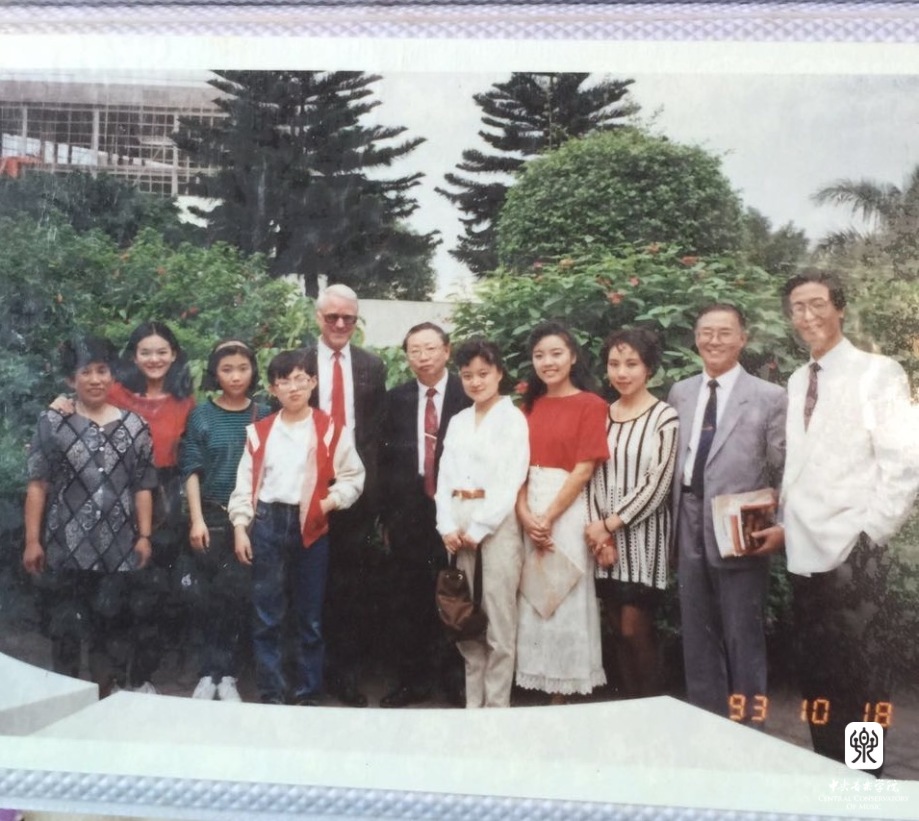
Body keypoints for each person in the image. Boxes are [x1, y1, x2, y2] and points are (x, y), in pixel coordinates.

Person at [755, 271, 918, 768]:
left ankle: (862, 781)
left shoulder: (878, 372)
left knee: (861, 682)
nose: (808, 316)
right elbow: (801, 470)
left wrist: (869, 537)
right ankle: (829, 771)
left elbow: (904, 464)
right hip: (805, 554)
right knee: (819, 678)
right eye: (798, 308)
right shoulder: (797, 379)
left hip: (856, 555)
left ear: (840, 308)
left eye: (818, 304)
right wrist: (786, 527)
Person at [51, 321, 195, 694]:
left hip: (163, 497)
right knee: (113, 595)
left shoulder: (185, 400)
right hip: (114, 493)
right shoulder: (115, 390)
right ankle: (107, 679)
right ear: (133, 356)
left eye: (162, 351)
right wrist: (60, 403)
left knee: (152, 593)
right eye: (145, 352)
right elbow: (81, 402)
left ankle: (142, 676)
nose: (154, 359)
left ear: (174, 355)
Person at [668, 305, 786, 721]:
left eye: (724, 332)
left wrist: (780, 524)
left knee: (742, 632)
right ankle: (708, 725)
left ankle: (749, 726)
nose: (714, 340)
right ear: (696, 337)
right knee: (696, 631)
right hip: (688, 514)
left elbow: (784, 469)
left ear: (742, 339)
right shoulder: (681, 392)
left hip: (741, 521)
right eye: (706, 332)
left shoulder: (769, 396)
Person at [228, 349, 365, 706]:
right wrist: (241, 527)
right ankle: (272, 693)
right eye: (284, 381)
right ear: (273, 389)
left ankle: (307, 694)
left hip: (311, 525)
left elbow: (353, 477)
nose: (293, 387)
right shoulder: (260, 432)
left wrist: (328, 503)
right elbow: (245, 483)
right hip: (267, 523)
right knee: (267, 615)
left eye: (301, 379)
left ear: (313, 383)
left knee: (310, 617)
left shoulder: (330, 429)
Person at [23, 336, 158, 698]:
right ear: (72, 379)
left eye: (102, 371)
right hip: (64, 548)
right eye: (86, 372)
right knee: (66, 631)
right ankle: (65, 702)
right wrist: (33, 540)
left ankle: (104, 700)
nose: (95, 379)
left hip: (119, 549)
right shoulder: (53, 422)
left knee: (110, 632)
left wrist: (145, 536)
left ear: (113, 376)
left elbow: (143, 485)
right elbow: (38, 484)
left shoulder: (136, 426)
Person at [515, 321, 609, 700]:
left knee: (565, 591)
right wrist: (525, 514)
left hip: (566, 509)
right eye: (539, 355)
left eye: (556, 353)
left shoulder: (591, 405)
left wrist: (548, 517)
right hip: (528, 506)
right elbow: (516, 468)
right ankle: (534, 677)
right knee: (532, 591)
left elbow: (584, 469)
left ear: (572, 357)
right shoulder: (528, 407)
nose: (548, 362)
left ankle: (564, 687)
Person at [379, 322, 471, 707]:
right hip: (409, 508)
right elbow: (383, 460)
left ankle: (455, 680)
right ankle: (412, 680)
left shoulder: (468, 393)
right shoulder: (396, 398)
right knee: (410, 595)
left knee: (457, 591)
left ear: (447, 351)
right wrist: (387, 516)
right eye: (415, 350)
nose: (423, 357)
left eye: (431, 348)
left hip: (457, 506)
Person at [304, 284, 386, 707]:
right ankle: (308, 677)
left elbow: (375, 432)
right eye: (332, 316)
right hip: (308, 488)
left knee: (349, 586)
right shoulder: (299, 362)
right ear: (318, 317)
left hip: (354, 491)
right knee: (308, 585)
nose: (339, 324)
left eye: (348, 318)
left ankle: (346, 676)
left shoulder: (372, 365)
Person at [435, 339, 529, 708]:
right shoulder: (459, 421)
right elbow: (444, 477)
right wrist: (446, 525)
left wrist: (479, 528)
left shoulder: (512, 419)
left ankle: (496, 708)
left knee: (498, 618)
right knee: (464, 617)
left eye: (483, 374)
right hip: (458, 522)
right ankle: (473, 707)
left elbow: (510, 480)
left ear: (499, 373)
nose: (476, 382)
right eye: (468, 375)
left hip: (496, 525)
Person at [585, 328, 679, 699]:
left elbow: (659, 483)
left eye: (631, 364)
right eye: (614, 364)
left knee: (633, 629)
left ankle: (653, 707)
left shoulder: (664, 417)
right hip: (602, 543)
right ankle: (630, 709)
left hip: (643, 542)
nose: (621, 373)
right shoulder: (601, 415)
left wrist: (610, 525)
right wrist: (599, 534)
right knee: (616, 631)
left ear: (649, 368)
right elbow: (590, 476)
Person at [180, 339, 270, 702]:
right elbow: (191, 468)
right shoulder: (202, 415)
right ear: (215, 374)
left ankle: (229, 674)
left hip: (250, 522)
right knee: (207, 599)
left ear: (253, 371)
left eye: (243, 368)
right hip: (211, 517)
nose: (235, 377)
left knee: (237, 598)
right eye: (227, 369)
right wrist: (196, 519)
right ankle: (207, 673)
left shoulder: (265, 414)